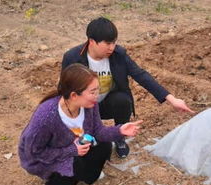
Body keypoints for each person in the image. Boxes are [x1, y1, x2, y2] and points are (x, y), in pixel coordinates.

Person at [61, 17, 194, 158]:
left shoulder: (118, 55)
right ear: (92, 41)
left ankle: (120, 137)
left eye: (114, 42)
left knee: (122, 100)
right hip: (84, 106)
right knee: (91, 146)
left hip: (106, 104)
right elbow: (64, 89)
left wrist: (172, 99)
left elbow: (141, 75)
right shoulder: (73, 57)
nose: (112, 47)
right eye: (107, 43)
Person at [18, 63, 142, 185]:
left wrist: (120, 130)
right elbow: (34, 152)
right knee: (75, 165)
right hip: (43, 158)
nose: (97, 96)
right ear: (74, 95)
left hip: (76, 146)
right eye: (93, 92)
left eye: (97, 90)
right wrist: (72, 151)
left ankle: (86, 174)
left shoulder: (90, 105)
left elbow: (98, 132)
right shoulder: (46, 117)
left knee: (104, 146)